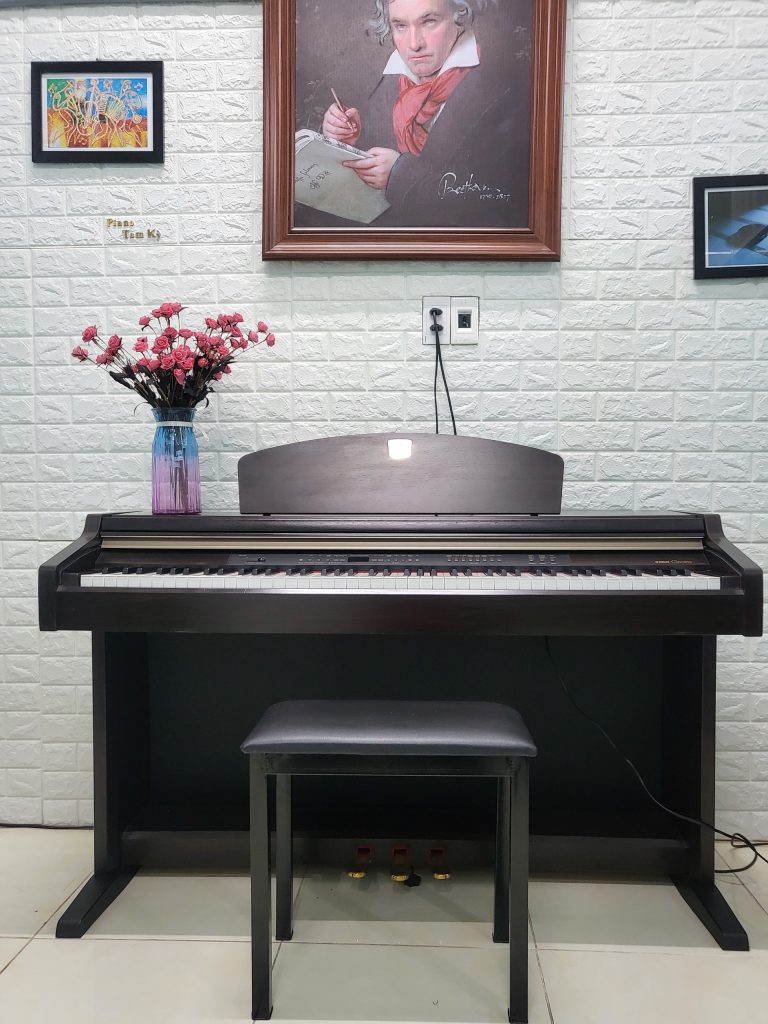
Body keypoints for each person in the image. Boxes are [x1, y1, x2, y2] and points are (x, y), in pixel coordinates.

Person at [320, 0, 530, 228]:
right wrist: (351, 139)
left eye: (429, 21)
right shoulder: (391, 83)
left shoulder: (502, 89)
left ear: (460, 16)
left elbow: (499, 206)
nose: (414, 44)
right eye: (400, 26)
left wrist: (399, 175)